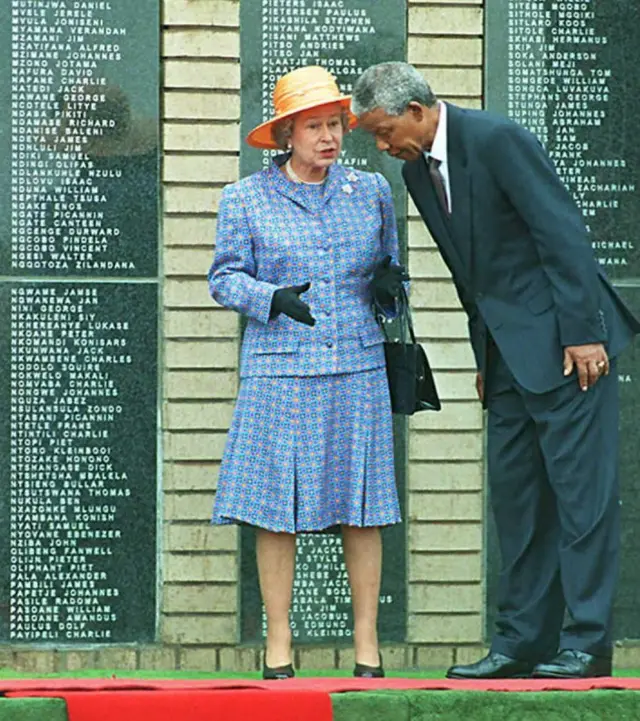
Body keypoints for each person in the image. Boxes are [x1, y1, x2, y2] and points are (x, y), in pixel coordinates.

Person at [352, 62, 640, 680]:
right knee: (518, 506)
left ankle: (585, 643)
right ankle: (521, 643)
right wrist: (484, 357)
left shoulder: (496, 139)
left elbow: (560, 233)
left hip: (568, 349)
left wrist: (585, 332)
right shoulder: (414, 172)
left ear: (415, 110)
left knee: (581, 502)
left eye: (382, 131)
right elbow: (470, 275)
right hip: (506, 360)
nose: (380, 145)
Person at [208, 66, 407, 680]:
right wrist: (270, 299)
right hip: (281, 369)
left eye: (335, 125)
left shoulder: (371, 191)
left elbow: (395, 279)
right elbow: (223, 278)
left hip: (357, 364)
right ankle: (279, 645)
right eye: (314, 126)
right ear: (286, 134)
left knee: (363, 505)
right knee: (276, 507)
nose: (329, 137)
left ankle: (368, 647)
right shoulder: (245, 198)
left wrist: (388, 289)